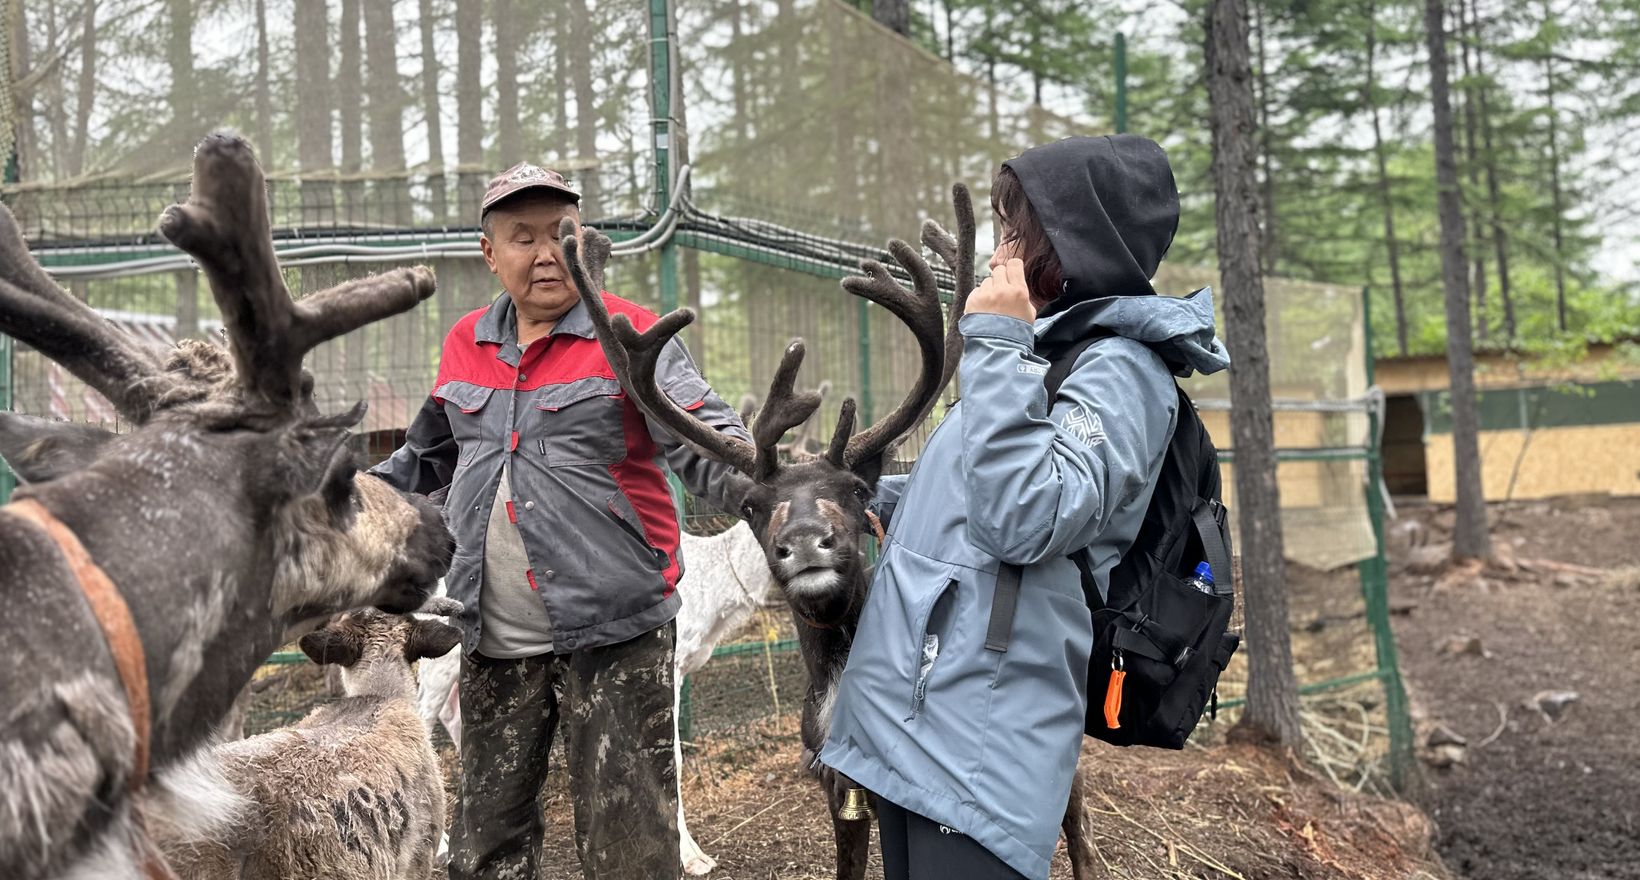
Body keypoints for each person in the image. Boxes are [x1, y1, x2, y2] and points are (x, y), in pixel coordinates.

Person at [819, 135, 1230, 880]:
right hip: (920, 712)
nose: (999, 249)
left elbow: (1028, 517)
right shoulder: (1040, 351)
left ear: (1072, 238)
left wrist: (1001, 342)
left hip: (982, 735)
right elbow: (968, 497)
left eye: (1017, 229)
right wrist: (859, 502)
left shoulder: (1120, 370)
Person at [370, 162, 751, 880]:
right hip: (493, 639)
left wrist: (769, 484)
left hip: (617, 634)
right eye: (523, 237)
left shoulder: (632, 334)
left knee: (630, 849)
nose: (547, 254)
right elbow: (421, 459)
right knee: (488, 848)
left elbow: (710, 446)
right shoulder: (466, 342)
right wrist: (332, 502)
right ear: (491, 253)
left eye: (562, 234)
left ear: (585, 240)